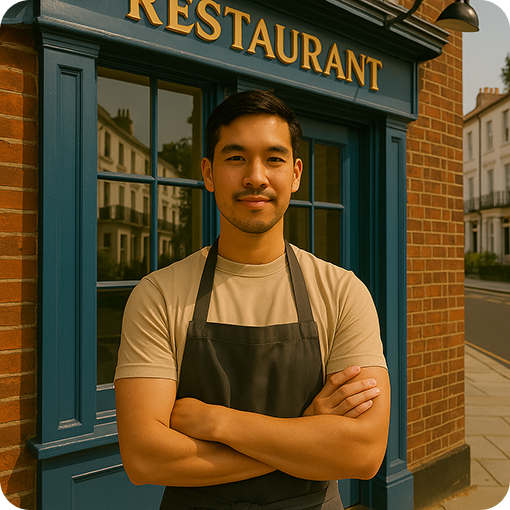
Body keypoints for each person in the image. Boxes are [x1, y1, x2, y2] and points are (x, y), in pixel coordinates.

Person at [114, 89, 390, 510]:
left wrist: (216, 421)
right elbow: (144, 459)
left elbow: (364, 452)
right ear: (208, 173)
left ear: (296, 174)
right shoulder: (158, 295)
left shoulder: (343, 292)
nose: (255, 177)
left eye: (274, 159)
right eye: (236, 157)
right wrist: (306, 435)